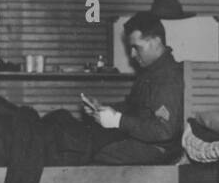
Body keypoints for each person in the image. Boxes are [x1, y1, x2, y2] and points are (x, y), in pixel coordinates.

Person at [79, 11, 185, 165]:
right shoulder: (149, 72)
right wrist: (102, 108)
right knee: (82, 139)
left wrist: (117, 120)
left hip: (158, 149)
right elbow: (133, 107)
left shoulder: (168, 76)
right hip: (142, 141)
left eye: (136, 47)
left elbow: (164, 131)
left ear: (156, 42)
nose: (132, 54)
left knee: (90, 152)